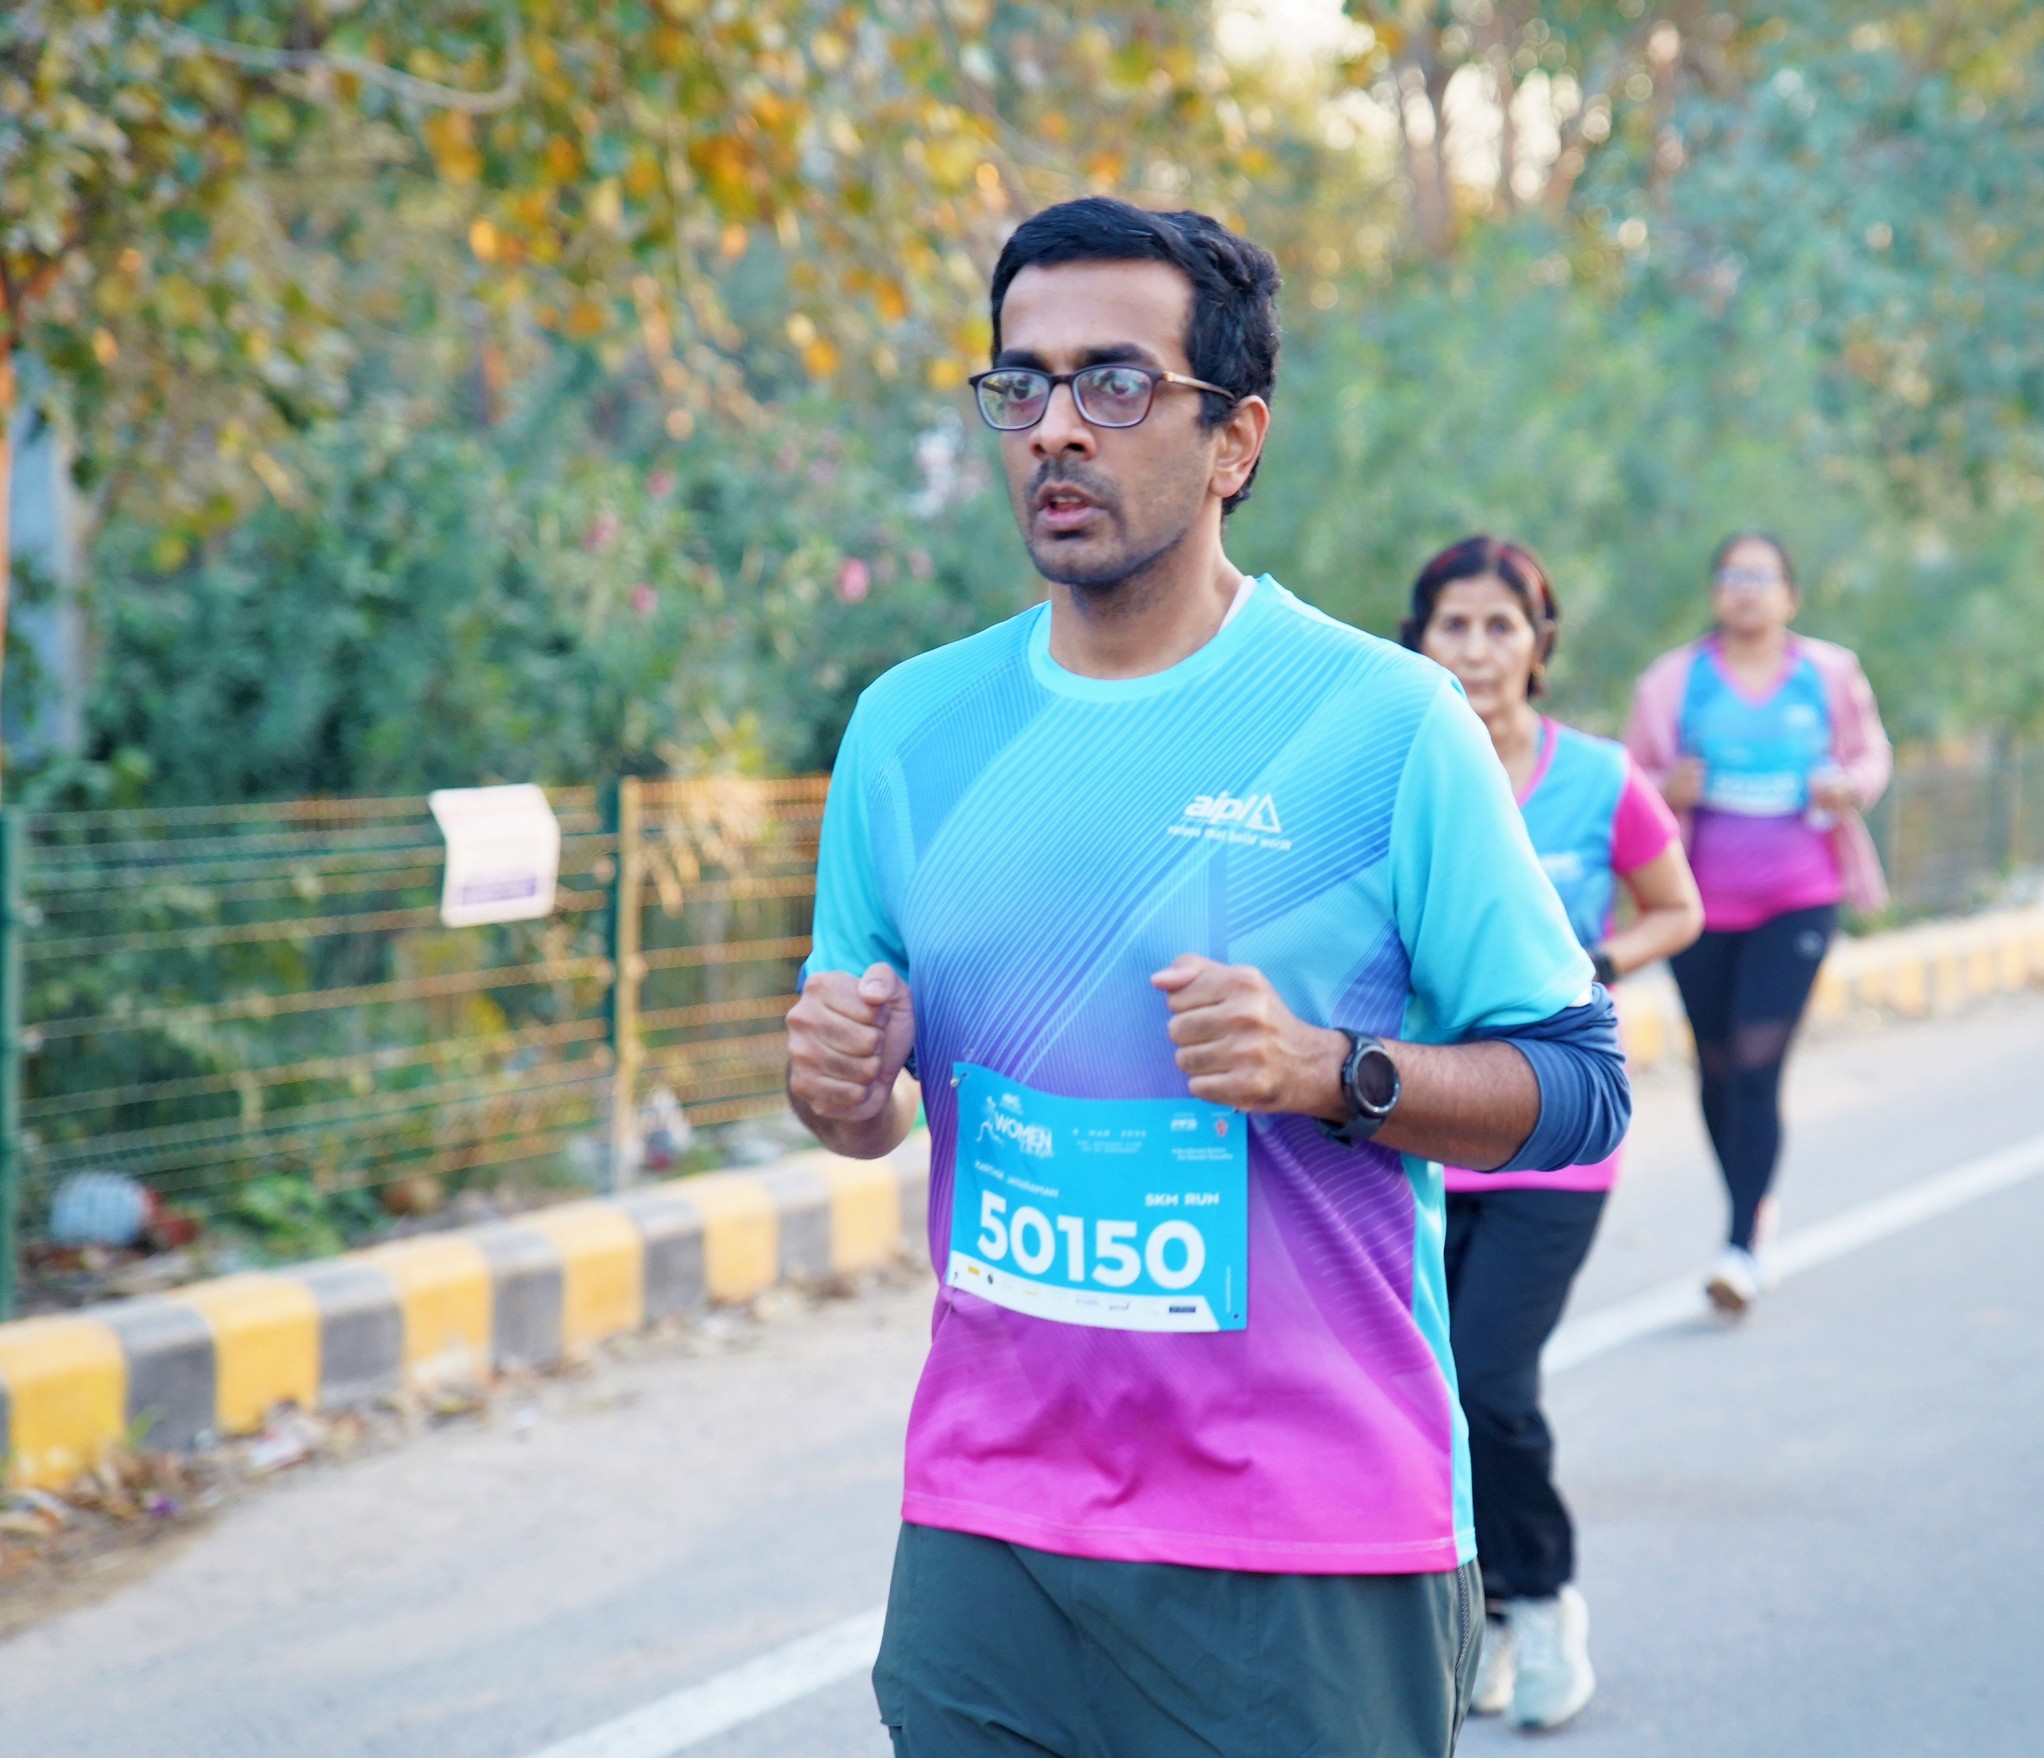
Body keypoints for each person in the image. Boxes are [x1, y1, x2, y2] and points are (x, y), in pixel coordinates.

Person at [784, 197, 1631, 1758]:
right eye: (1021, 384)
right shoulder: (909, 728)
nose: (1055, 428)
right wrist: (837, 1092)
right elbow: (869, 1104)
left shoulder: (1383, 723)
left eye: (1114, 384)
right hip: (990, 1524)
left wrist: (1332, 1071)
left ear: (1235, 439)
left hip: (1306, 1531)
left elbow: (1582, 1086)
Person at [1401, 536, 1702, 1730]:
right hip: (1420, 1127)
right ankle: (1480, 1612)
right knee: (1427, 1392)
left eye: (1500, 626)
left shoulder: (1599, 779)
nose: (1477, 649)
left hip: (1553, 1134)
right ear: (1420, 640)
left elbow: (1678, 905)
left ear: (1539, 646)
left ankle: (1545, 1599)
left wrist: (1599, 964)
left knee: (1488, 1380)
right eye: (1454, 625)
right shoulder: (1397, 766)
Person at [1624, 533, 1892, 1314]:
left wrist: (1849, 786)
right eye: (1731, 576)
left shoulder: (1828, 674)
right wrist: (1666, 785)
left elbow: (1870, 754)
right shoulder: (1673, 682)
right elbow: (1629, 778)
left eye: (1761, 577)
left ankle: (1741, 1242)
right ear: (1714, 592)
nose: (1745, 589)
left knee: (1755, 1058)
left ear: (1789, 595)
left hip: (1799, 896)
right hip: (1695, 905)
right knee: (1715, 1065)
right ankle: (1750, 1204)